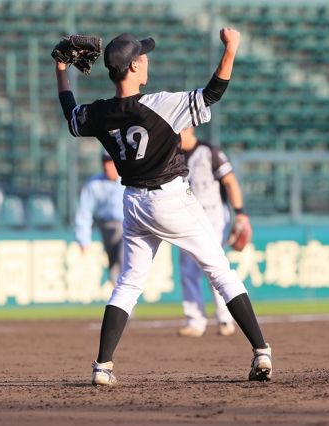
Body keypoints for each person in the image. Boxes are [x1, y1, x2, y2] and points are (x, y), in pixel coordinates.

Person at [55, 28, 272, 386]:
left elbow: (70, 114)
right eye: (142, 56)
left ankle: (102, 366)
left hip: (134, 203)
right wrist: (231, 49)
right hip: (170, 199)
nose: (146, 60)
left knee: (128, 283)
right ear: (134, 67)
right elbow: (213, 93)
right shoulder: (159, 104)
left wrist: (61, 69)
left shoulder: (101, 112)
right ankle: (261, 351)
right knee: (221, 271)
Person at [177, 126, 250, 338]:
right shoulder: (173, 154)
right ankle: (195, 321)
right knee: (187, 269)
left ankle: (225, 318)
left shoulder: (209, 152)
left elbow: (230, 181)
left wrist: (240, 213)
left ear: (190, 128)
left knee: (214, 266)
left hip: (212, 216)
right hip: (187, 218)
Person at [75, 151, 124, 285]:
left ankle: (124, 296)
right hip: (107, 227)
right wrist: (83, 239)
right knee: (114, 268)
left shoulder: (130, 179)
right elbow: (84, 212)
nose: (107, 166)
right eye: (105, 162)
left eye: (111, 162)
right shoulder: (94, 183)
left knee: (124, 262)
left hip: (128, 225)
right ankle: (121, 297)